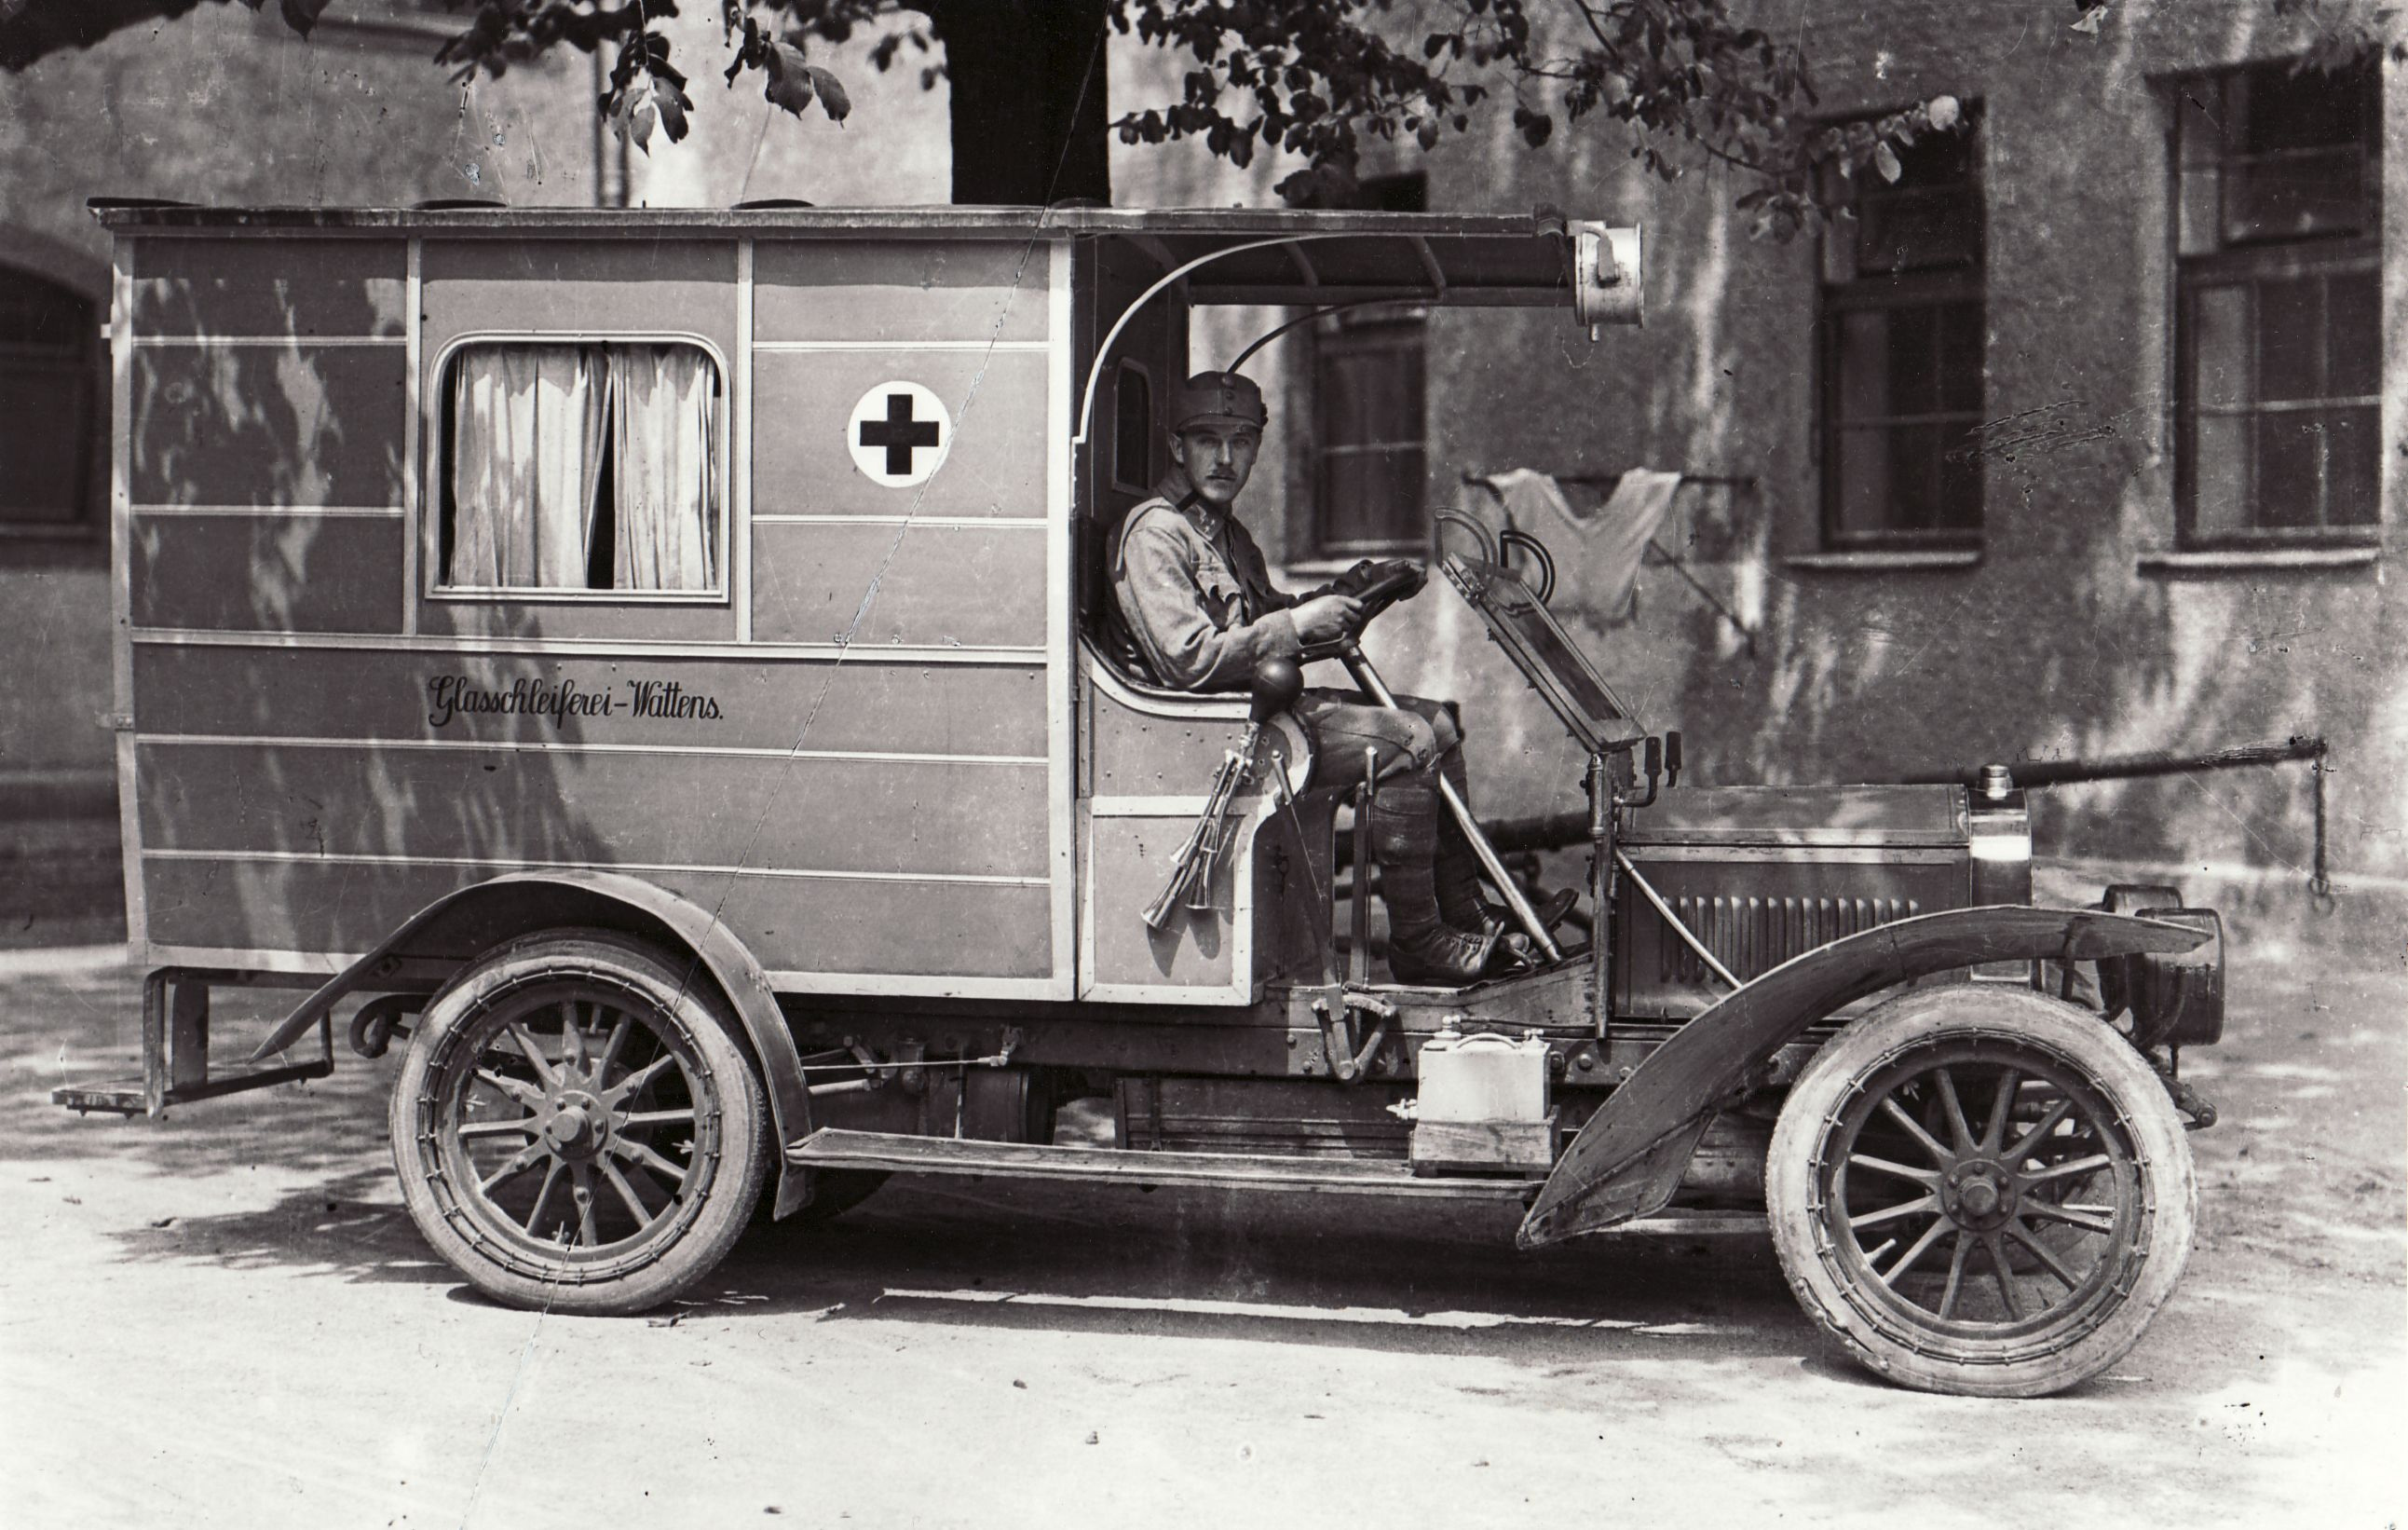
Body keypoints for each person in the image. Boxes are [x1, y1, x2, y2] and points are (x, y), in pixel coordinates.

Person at [1107, 370, 1516, 984]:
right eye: (1206, 440)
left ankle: (1465, 915)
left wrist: (1346, 595)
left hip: (1257, 717)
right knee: (1409, 740)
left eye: (1241, 440)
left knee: (1439, 722)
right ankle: (1418, 940)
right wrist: (1300, 623)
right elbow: (1188, 661)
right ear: (1175, 447)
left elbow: (1266, 616)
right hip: (1207, 735)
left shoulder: (1225, 533)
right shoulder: (1155, 533)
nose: (1225, 457)